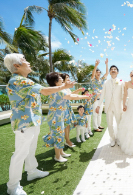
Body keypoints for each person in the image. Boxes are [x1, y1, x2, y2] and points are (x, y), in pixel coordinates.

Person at [4, 53, 74, 195]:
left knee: (30, 149)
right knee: (20, 153)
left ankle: (32, 171)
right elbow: (45, 91)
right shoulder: (18, 81)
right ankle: (13, 186)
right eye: (24, 60)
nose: (28, 62)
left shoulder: (25, 80)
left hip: (32, 121)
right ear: (16, 66)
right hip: (24, 124)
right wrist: (64, 86)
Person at [43, 72, 93, 163]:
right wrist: (85, 96)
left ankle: (61, 152)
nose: (62, 78)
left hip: (59, 116)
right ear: (56, 81)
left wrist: (84, 96)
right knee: (58, 135)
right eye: (59, 77)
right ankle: (57, 156)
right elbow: (71, 97)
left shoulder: (59, 89)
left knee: (60, 134)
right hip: (55, 117)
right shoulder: (57, 90)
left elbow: (72, 95)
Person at [95, 65, 124, 147]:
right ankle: (112, 138)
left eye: (115, 69)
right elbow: (103, 94)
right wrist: (98, 105)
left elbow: (123, 94)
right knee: (109, 123)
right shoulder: (106, 82)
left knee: (119, 123)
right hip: (108, 106)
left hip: (118, 105)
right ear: (110, 72)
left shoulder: (121, 81)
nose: (113, 70)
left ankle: (118, 138)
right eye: (111, 69)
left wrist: (125, 104)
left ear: (117, 72)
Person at [60, 73, 84, 147]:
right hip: (63, 108)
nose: (69, 79)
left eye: (69, 77)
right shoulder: (61, 87)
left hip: (67, 107)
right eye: (67, 77)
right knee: (65, 125)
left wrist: (78, 90)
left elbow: (71, 95)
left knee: (68, 125)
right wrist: (79, 91)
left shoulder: (67, 88)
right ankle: (66, 140)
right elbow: (69, 96)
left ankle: (67, 140)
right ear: (63, 79)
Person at [91, 58, 109, 132]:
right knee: (95, 113)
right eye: (97, 72)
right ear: (95, 73)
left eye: (99, 72)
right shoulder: (93, 79)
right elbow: (92, 74)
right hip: (95, 99)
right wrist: (96, 65)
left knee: (100, 113)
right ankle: (95, 127)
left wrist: (106, 64)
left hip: (101, 99)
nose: (98, 73)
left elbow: (107, 73)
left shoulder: (101, 80)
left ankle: (98, 125)